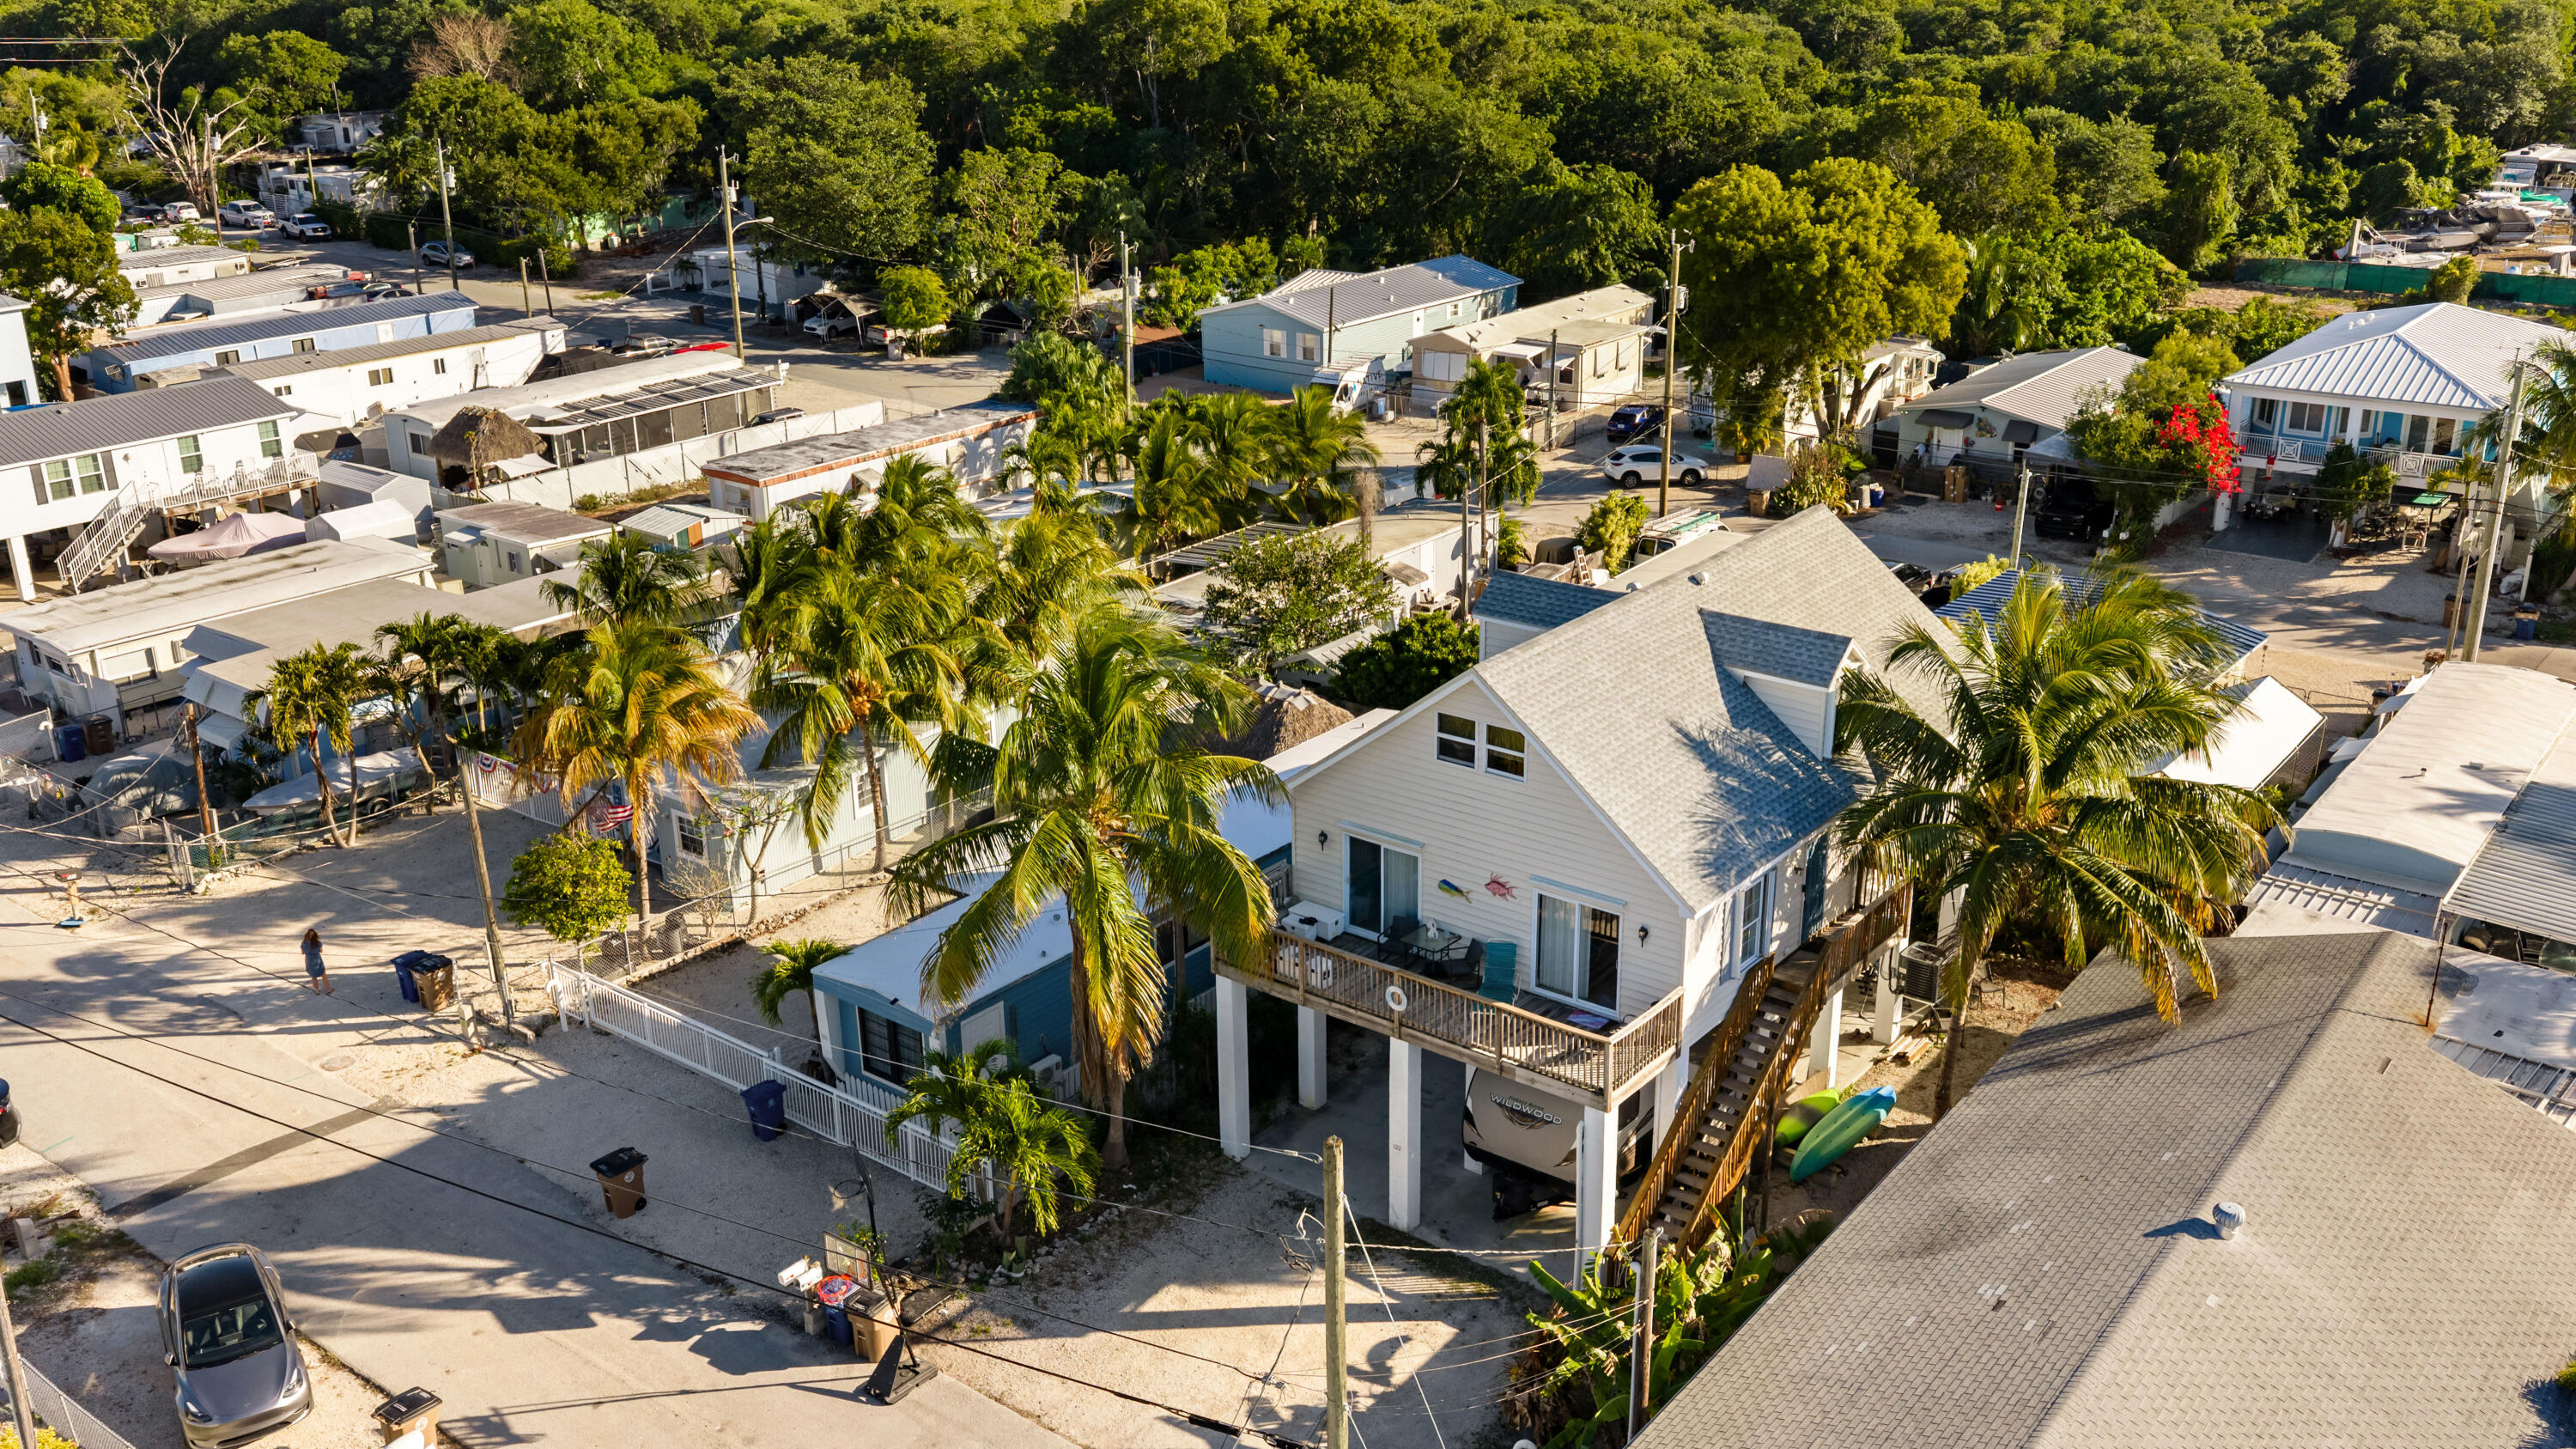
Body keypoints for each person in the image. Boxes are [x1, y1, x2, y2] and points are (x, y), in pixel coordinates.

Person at [301, 928, 333, 995]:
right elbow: (321, 951)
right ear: (315, 935)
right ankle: (328, 989)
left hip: (309, 961)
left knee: (313, 977)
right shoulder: (318, 943)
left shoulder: (303, 944)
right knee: (323, 974)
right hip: (317, 961)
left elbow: (302, 952)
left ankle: (317, 991)